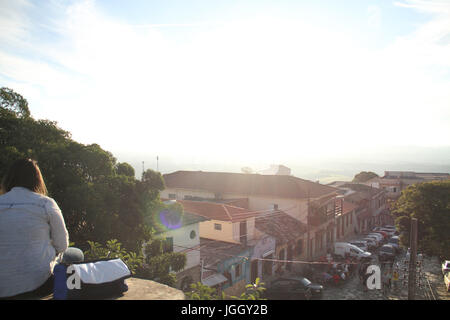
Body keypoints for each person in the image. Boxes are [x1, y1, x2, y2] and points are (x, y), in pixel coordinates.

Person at [0, 159, 83, 299]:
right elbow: (62, 246)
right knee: (76, 254)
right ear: (36, 180)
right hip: (38, 286)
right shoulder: (45, 203)